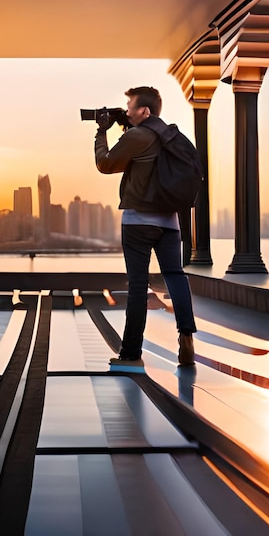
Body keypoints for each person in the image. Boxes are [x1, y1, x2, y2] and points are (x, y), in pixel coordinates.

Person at [94, 86, 196, 368]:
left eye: (130, 106)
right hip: (170, 223)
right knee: (175, 275)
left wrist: (101, 132)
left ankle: (130, 354)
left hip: (139, 221)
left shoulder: (139, 135)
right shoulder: (171, 136)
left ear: (145, 111)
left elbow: (105, 164)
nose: (126, 111)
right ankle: (186, 335)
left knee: (138, 285)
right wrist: (126, 129)